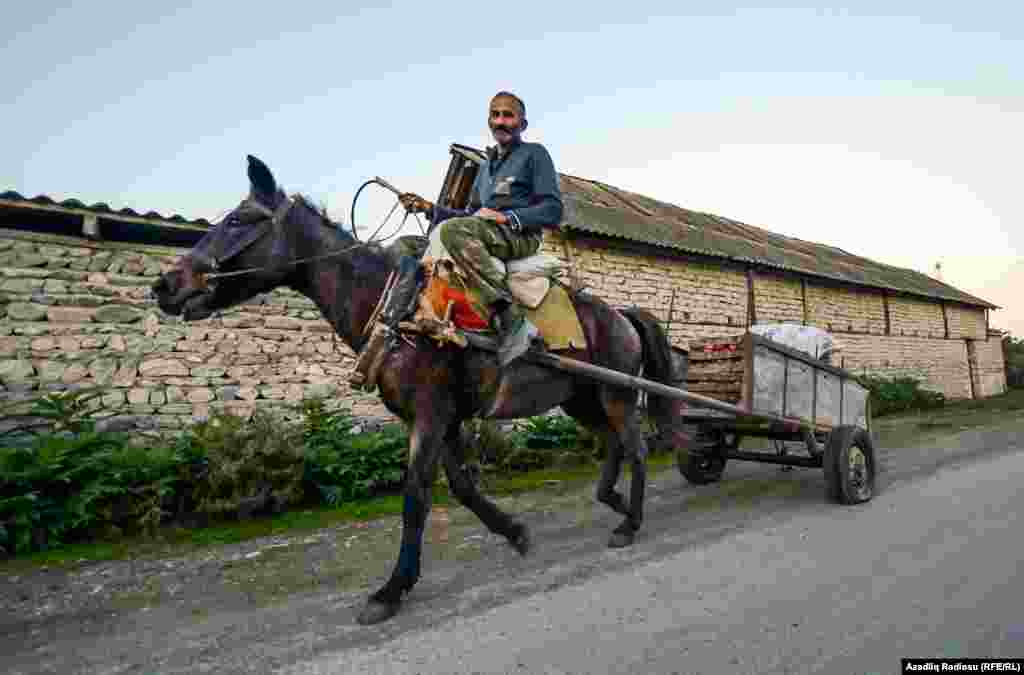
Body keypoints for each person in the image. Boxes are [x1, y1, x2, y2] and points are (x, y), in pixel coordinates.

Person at [389, 91, 564, 367]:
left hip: (517, 235)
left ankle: (510, 319)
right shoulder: (486, 167)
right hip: (479, 231)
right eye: (495, 115)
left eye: (508, 115)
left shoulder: (534, 155)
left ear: (523, 124)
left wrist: (507, 217)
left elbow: (554, 210)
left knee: (452, 232)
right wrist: (429, 209)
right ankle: (402, 316)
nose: (501, 121)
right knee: (405, 246)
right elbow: (468, 216)